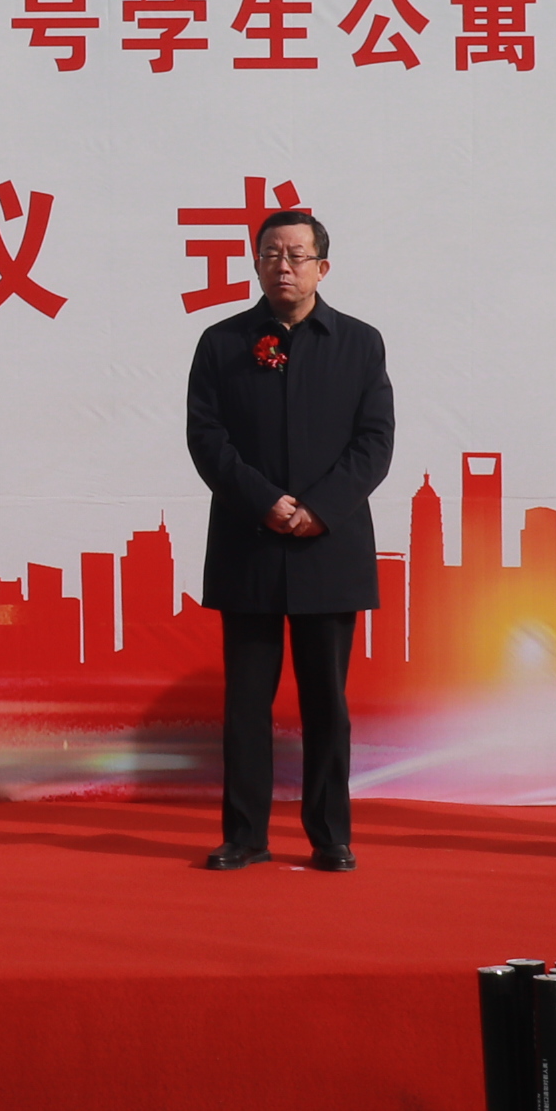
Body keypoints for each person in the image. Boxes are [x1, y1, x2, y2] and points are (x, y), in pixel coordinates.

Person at [186, 207, 395, 872]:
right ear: (255, 264)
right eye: (271, 254)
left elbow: (375, 442)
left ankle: (331, 835)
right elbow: (207, 438)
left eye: (297, 255)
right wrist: (265, 502)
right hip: (249, 543)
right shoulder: (221, 343)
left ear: (322, 267)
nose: (284, 266)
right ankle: (245, 834)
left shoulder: (359, 343)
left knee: (326, 703)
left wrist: (320, 509)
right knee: (247, 703)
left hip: (329, 548)